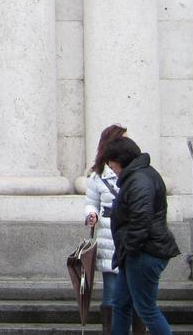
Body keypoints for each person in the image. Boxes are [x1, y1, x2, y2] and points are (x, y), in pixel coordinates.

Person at [102, 136, 180, 335]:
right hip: (138, 252)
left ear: (121, 161)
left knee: (146, 309)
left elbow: (141, 220)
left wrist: (130, 248)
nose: (111, 169)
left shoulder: (139, 179)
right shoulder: (139, 175)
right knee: (120, 304)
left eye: (112, 165)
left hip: (145, 252)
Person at [84, 125, 145, 334]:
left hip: (131, 233)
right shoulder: (97, 176)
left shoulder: (136, 173)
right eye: (123, 139)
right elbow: (91, 202)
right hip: (108, 234)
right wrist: (91, 215)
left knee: (137, 290)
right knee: (111, 289)